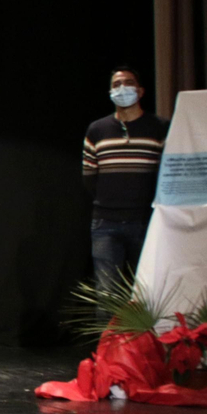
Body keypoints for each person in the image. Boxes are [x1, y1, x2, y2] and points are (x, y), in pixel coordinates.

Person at [83, 66, 170, 290]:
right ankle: (109, 328)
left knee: (148, 291)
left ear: (140, 91)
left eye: (128, 83)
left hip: (145, 221)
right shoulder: (97, 129)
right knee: (107, 294)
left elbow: (167, 173)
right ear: (110, 92)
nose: (122, 88)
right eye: (116, 84)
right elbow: (89, 176)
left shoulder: (159, 127)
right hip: (105, 222)